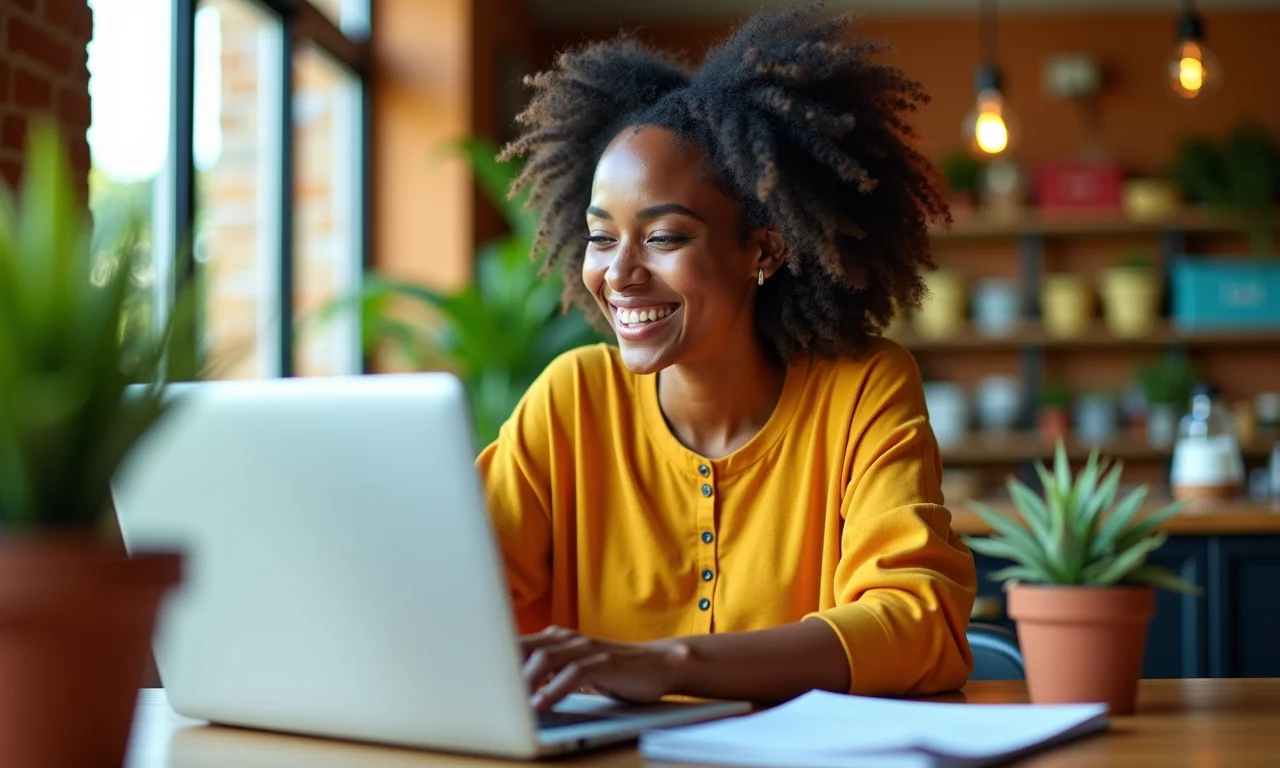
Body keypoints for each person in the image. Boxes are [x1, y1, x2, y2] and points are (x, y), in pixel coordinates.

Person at [476, 4, 976, 713]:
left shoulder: (862, 389)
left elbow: (919, 624)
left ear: (764, 250)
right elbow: (448, 593)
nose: (619, 273)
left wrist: (668, 663)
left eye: (664, 237)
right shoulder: (571, 401)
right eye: (601, 237)